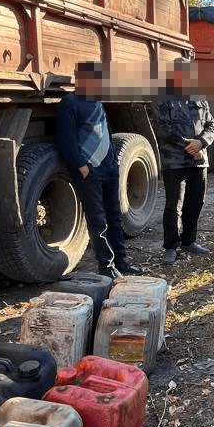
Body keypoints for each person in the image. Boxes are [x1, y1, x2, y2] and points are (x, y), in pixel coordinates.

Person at [57, 61, 143, 278]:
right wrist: (81, 166)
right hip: (90, 172)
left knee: (115, 217)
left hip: (109, 169)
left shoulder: (97, 102)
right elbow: (66, 139)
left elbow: (106, 131)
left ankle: (121, 262)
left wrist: (114, 162)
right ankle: (106, 266)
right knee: (98, 220)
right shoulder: (70, 102)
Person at [153, 59, 214, 265]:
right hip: (175, 161)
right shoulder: (162, 96)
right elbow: (163, 128)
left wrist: (202, 143)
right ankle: (171, 246)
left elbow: (211, 125)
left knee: (196, 202)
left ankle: (189, 241)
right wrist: (190, 146)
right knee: (174, 205)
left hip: (199, 161)